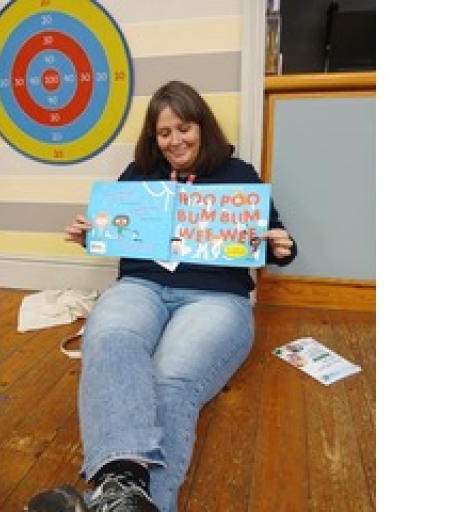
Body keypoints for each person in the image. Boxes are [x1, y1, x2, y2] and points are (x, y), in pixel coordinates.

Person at [26, 81, 297, 512]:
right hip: (142, 287)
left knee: (168, 380)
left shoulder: (238, 175)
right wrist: (91, 238)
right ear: (154, 137)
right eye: (164, 132)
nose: (174, 140)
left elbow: (274, 239)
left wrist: (282, 247)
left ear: (202, 127)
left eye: (183, 128)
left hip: (214, 297)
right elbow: (114, 228)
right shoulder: (137, 176)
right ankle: (124, 490)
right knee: (110, 337)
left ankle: (116, 497)